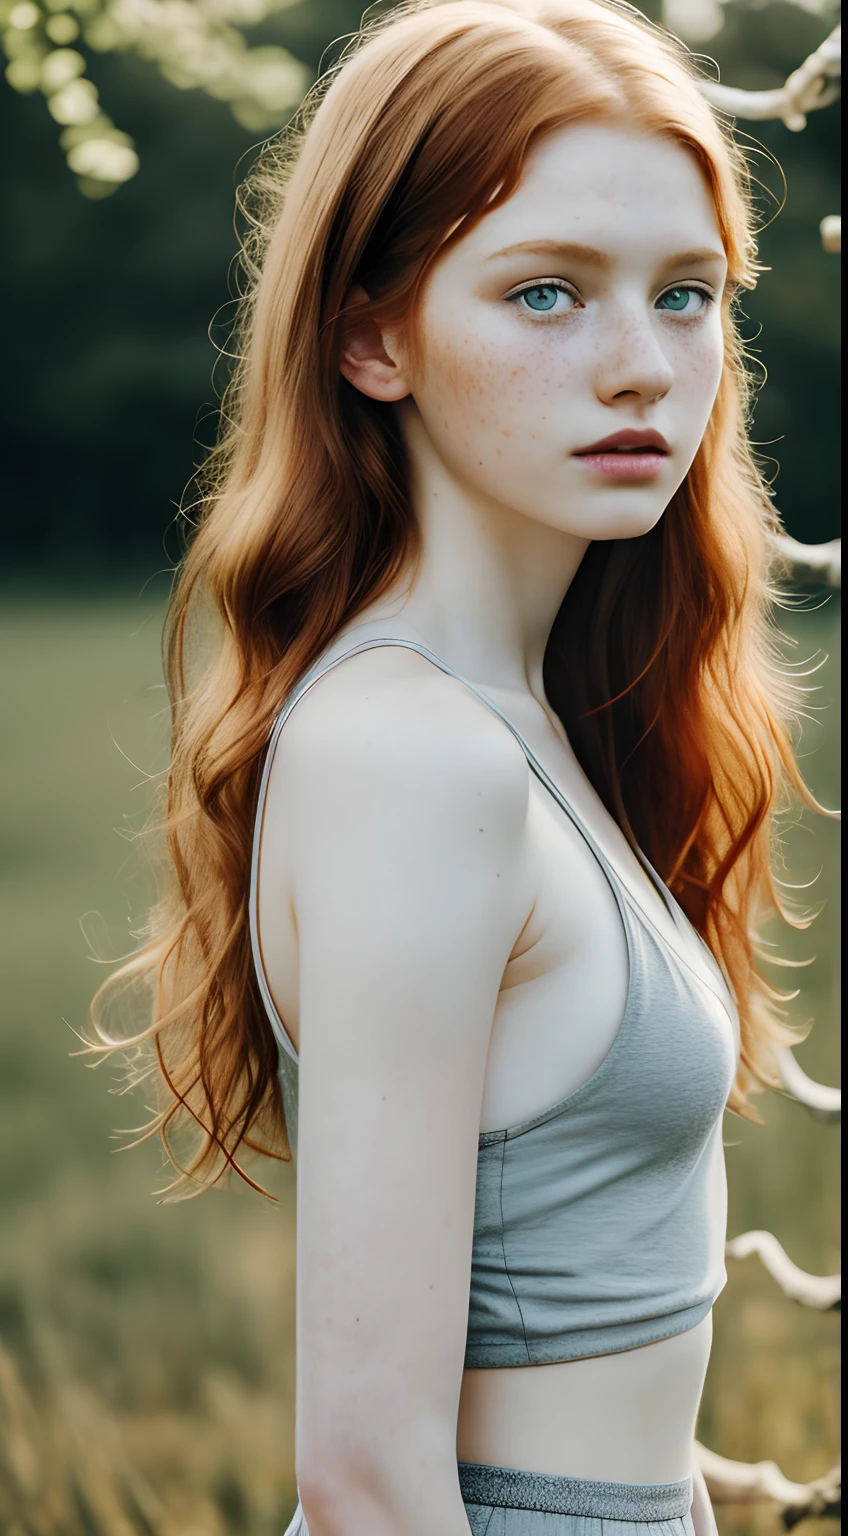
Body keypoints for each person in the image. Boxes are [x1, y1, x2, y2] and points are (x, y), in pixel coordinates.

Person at [91, 1, 823, 1531]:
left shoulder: (527, 716)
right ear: (371, 335)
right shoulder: (411, 756)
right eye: (547, 293)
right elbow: (364, 1476)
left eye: (685, 295)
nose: (640, 366)